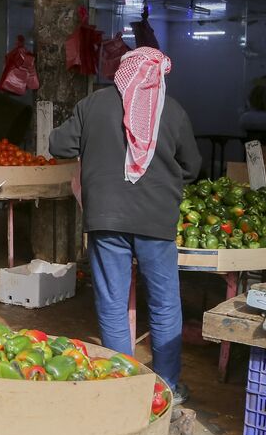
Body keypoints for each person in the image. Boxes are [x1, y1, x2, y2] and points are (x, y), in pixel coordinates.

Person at [51, 47, 201, 404]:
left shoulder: (93, 105)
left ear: (123, 72)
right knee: (164, 305)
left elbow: (59, 145)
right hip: (156, 221)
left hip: (106, 220)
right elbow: (193, 167)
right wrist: (163, 179)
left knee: (113, 302)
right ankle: (166, 386)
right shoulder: (173, 110)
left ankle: (122, 384)